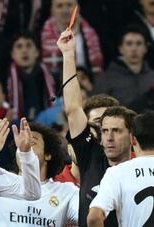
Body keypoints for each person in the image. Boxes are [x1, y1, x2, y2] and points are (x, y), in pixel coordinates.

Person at [57, 28, 137, 227]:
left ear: (131, 133)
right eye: (101, 126)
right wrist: (68, 54)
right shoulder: (89, 155)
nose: (106, 133)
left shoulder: (143, 166)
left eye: (114, 128)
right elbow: (73, 108)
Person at [0, 123, 78, 226]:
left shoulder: (67, 192)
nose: (24, 146)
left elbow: (90, 218)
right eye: (20, 143)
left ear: (48, 155)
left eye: (32, 142)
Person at [93, 24, 154, 106]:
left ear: (146, 48)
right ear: (120, 48)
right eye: (129, 44)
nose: (134, 49)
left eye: (139, 43)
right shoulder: (106, 79)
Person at [41, 0, 103, 79]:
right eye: (59, 6)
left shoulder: (90, 32)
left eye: (69, 5)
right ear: (52, 11)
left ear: (78, 8)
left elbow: (97, 68)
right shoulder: (43, 35)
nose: (65, 10)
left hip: (87, 83)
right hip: (55, 84)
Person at [7, 32, 56, 121]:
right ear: (13, 54)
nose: (24, 50)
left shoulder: (52, 77)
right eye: (19, 46)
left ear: (37, 52)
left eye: (29, 46)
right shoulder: (5, 80)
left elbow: (55, 102)